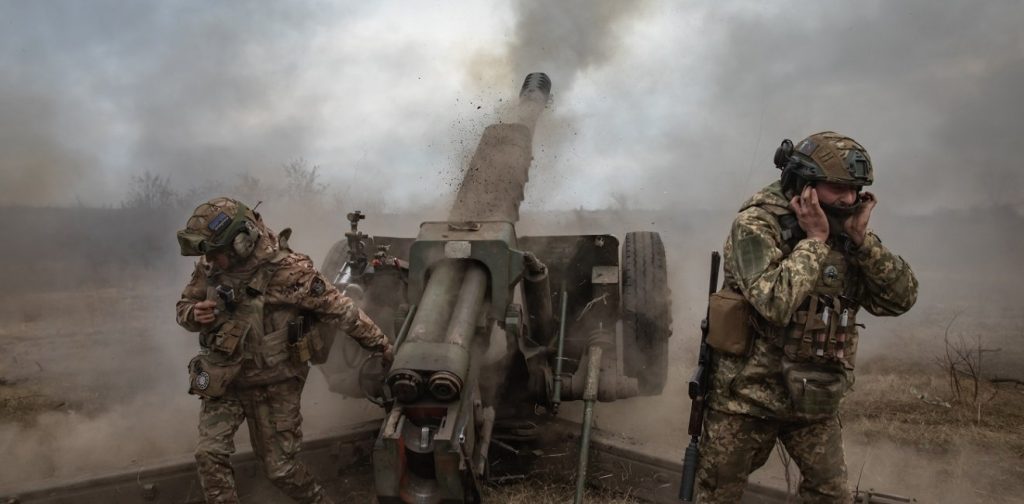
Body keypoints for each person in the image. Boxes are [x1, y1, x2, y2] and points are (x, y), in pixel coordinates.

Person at [695, 132, 918, 503]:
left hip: (814, 396)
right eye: (837, 188)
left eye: (855, 190)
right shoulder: (757, 225)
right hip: (748, 398)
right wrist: (814, 242)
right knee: (718, 494)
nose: (848, 199)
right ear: (804, 183)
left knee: (831, 494)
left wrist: (863, 243)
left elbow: (900, 299)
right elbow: (774, 303)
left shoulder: (846, 231)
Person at [175, 197, 393, 504]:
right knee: (209, 455)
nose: (210, 259)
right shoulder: (209, 267)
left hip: (275, 383)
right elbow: (184, 306)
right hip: (226, 379)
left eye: (217, 252)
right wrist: (193, 313)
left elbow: (342, 311)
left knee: (281, 470)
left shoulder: (291, 272)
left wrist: (383, 346)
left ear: (241, 241)